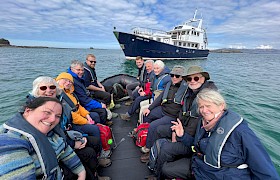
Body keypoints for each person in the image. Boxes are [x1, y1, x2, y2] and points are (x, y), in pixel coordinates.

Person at [163, 89, 280, 180]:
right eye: (201, 107)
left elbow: (263, 168)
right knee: (166, 169)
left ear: (221, 106)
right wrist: (182, 135)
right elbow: (196, 146)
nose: (204, 110)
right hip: (200, 169)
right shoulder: (203, 123)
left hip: (221, 175)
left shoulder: (240, 131)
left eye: (208, 106)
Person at [28, 76, 112, 179]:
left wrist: (82, 131)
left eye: (52, 87)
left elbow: (71, 116)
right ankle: (93, 175)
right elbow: (50, 137)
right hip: (53, 151)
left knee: (93, 141)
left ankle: (95, 169)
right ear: (36, 91)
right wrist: (73, 143)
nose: (48, 90)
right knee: (88, 153)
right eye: (43, 88)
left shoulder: (61, 102)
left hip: (67, 135)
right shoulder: (35, 112)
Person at [144, 66, 218, 179]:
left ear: (204, 79)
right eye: (189, 79)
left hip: (192, 141)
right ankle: (154, 157)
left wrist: (181, 136)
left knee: (166, 148)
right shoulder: (189, 94)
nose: (192, 81)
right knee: (159, 130)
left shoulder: (207, 98)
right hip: (182, 130)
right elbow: (181, 114)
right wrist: (175, 133)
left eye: (196, 78)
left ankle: (158, 175)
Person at [0, 97, 86, 179]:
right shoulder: (10, 142)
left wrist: (81, 174)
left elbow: (65, 151)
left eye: (58, 116)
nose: (53, 119)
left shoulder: (49, 134)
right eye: (47, 112)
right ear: (28, 111)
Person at [56, 72, 112, 160]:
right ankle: (100, 153)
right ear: (58, 81)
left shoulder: (70, 93)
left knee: (95, 116)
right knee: (94, 129)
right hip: (73, 123)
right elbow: (72, 115)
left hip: (79, 117)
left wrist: (87, 116)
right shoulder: (61, 97)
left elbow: (78, 107)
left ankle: (103, 138)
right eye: (65, 80)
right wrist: (86, 121)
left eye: (70, 81)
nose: (68, 83)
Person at [140, 65, 188, 157]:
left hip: (171, 115)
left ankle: (148, 148)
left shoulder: (186, 90)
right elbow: (160, 98)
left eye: (177, 76)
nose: (174, 77)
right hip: (163, 109)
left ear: (182, 77)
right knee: (146, 115)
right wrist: (149, 108)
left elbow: (185, 108)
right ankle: (145, 135)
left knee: (153, 126)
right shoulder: (169, 84)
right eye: (172, 75)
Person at [67, 60, 112, 126]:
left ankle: (105, 120)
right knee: (102, 111)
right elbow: (84, 100)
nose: (81, 72)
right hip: (82, 104)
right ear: (72, 69)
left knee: (102, 101)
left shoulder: (79, 78)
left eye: (82, 70)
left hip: (85, 99)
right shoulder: (74, 81)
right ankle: (102, 126)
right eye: (78, 70)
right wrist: (100, 105)